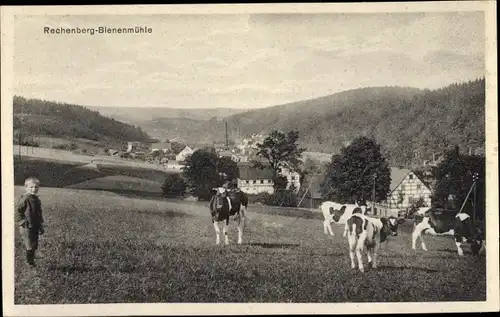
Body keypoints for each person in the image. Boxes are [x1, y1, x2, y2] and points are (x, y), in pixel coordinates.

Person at [15, 177, 45, 267]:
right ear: (26, 187)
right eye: (31, 187)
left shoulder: (36, 199)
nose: (34, 189)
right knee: (29, 244)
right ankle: (30, 262)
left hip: (35, 225)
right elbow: (17, 211)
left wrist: (41, 225)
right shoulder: (25, 199)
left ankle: (33, 254)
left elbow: (39, 213)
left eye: (36, 187)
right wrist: (22, 222)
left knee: (35, 241)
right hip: (26, 227)